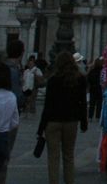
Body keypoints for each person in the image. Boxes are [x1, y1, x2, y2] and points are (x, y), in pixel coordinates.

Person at [37, 51, 88, 184]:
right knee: (69, 156)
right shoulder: (80, 79)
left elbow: (48, 105)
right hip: (71, 121)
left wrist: (41, 127)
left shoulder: (53, 80)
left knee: (53, 157)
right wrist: (84, 122)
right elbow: (82, 103)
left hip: (53, 122)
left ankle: (53, 182)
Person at [0, 38, 25, 184]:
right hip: (8, 117)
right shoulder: (14, 70)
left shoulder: (0, 67)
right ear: (21, 53)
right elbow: (16, 97)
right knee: (4, 155)